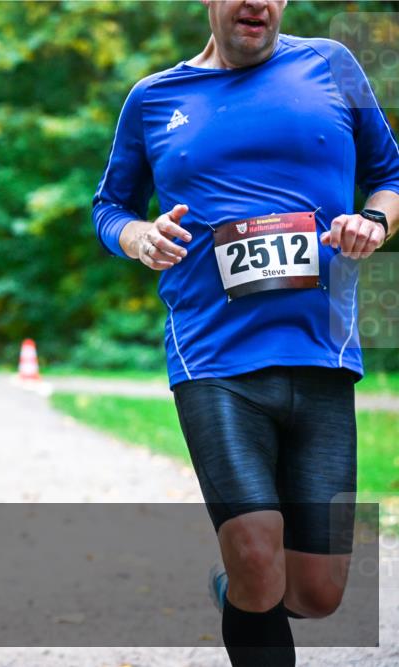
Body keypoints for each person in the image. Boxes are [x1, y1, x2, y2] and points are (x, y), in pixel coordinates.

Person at [91, 1, 399, 665]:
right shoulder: (155, 97)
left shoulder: (332, 67)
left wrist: (374, 221)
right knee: (259, 556)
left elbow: (389, 176)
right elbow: (110, 208)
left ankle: (235, 589)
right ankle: (248, 579)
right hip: (213, 358)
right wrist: (140, 237)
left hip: (322, 353)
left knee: (317, 592)